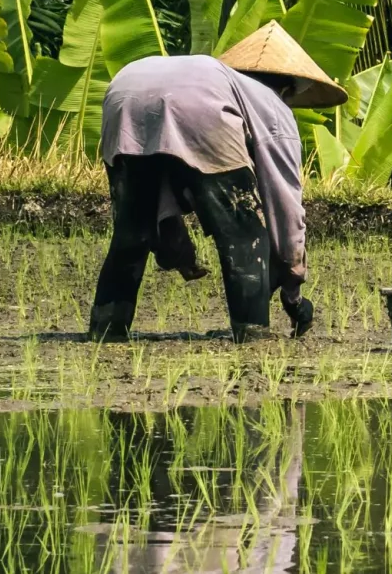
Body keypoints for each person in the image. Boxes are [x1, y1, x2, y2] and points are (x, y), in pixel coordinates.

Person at [88, 22, 343, 343]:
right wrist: (293, 285)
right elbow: (285, 203)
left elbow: (158, 183)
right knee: (245, 235)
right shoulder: (272, 105)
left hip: (124, 90)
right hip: (201, 103)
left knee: (131, 233)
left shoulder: (216, 76)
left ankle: (106, 329)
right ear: (289, 88)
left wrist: (175, 249)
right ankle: (252, 335)